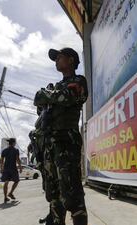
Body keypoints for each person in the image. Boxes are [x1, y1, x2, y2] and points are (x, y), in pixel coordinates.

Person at [34, 47, 88, 225]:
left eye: (59, 57)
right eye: (55, 58)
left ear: (71, 60)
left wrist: (46, 95)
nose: (56, 60)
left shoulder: (78, 80)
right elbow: (41, 109)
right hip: (49, 144)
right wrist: (47, 99)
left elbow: (69, 96)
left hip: (66, 142)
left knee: (72, 193)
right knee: (54, 194)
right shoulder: (56, 87)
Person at [0, 138, 22, 203]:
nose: (15, 144)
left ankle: (5, 197)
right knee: (16, 181)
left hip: (6, 169)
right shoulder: (16, 150)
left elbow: (1, 161)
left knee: (6, 182)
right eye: (15, 143)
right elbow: (18, 159)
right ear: (13, 143)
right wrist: (20, 167)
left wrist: (1, 168)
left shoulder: (4, 150)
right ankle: (10, 193)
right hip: (13, 169)